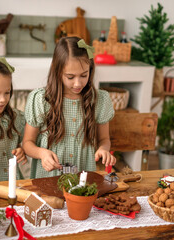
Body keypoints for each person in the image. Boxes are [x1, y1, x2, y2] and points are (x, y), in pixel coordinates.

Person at [23, 37, 116, 179]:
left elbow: (104, 139)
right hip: (48, 177)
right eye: (70, 77)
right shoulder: (41, 100)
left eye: (84, 75)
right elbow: (27, 143)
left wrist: (103, 149)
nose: (78, 83)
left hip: (83, 178)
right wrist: (42, 153)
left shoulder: (99, 100)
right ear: (57, 71)